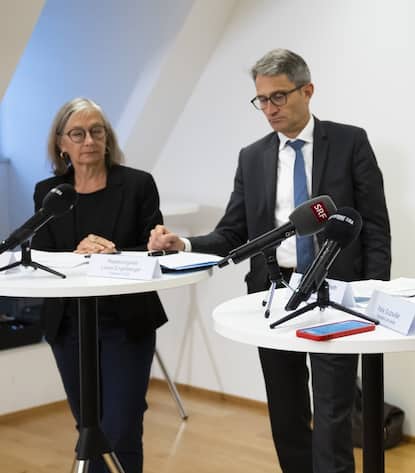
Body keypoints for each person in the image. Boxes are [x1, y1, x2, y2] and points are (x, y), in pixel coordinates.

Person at [147, 48, 391, 473]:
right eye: (261, 99)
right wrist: (182, 244)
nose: (269, 109)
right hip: (274, 295)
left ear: (307, 90)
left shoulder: (350, 141)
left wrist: (375, 290)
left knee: (334, 412)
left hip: (336, 293)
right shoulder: (253, 156)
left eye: (278, 97)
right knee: (286, 409)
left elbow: (374, 223)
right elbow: (232, 232)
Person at [32, 97, 167, 473]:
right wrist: (78, 254)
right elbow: (41, 255)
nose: (89, 140)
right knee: (88, 429)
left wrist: (114, 252)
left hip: (125, 323)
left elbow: (153, 248)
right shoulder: (49, 192)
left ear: (107, 138)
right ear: (61, 143)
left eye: (97, 131)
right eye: (78, 133)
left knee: (121, 428)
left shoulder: (138, 184)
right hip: (69, 326)